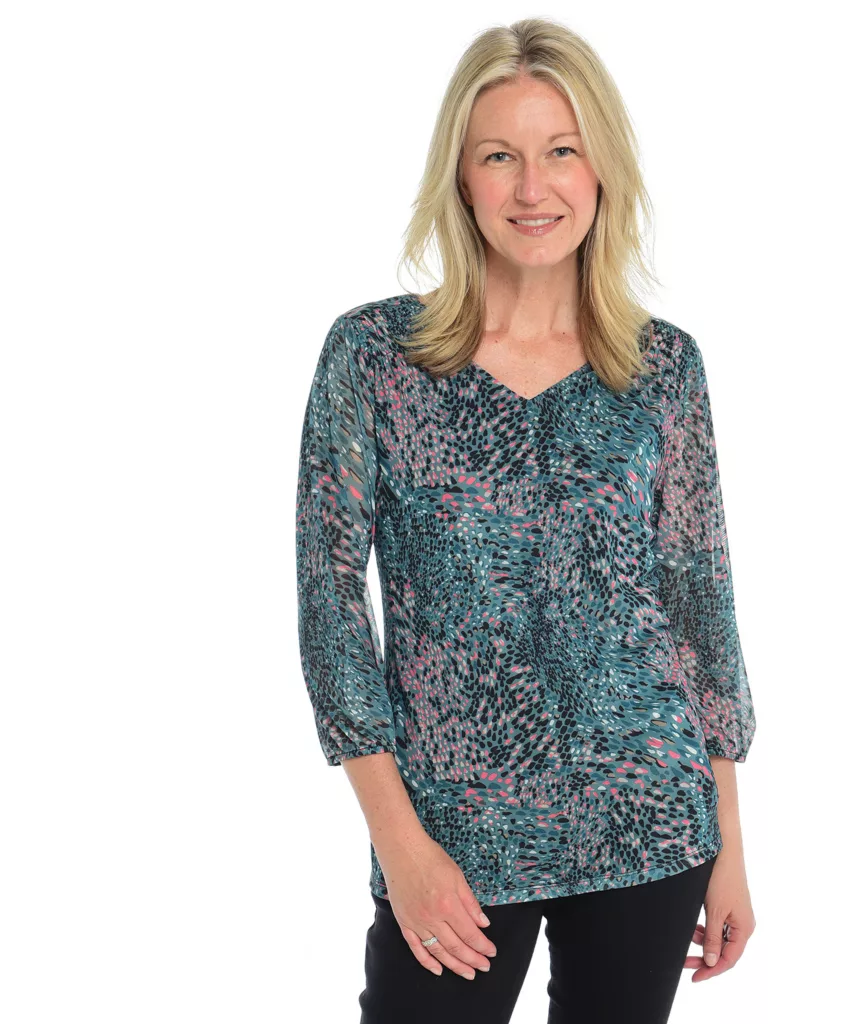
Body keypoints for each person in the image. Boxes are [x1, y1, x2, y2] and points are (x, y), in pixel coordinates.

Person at [295, 18, 756, 1024]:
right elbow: (330, 610)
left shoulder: (662, 368)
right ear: (460, 178)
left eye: (562, 152)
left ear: (602, 170)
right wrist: (400, 848)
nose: (532, 188)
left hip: (648, 827)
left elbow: (698, 607)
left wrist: (728, 843)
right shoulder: (375, 357)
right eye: (499, 155)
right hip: (453, 835)